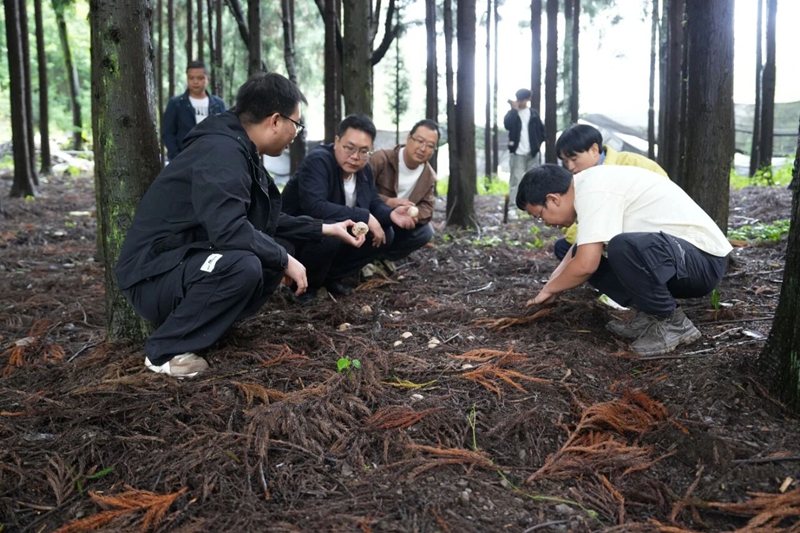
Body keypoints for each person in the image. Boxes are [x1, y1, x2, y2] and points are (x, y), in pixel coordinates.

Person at [116, 73, 364, 378]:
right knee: (246, 264)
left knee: (274, 250)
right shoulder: (221, 153)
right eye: (295, 125)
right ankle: (164, 351)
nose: (295, 134)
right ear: (275, 120)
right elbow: (228, 229)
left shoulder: (239, 148)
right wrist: (286, 261)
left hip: (182, 260)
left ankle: (208, 326)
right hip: (152, 274)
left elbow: (263, 221)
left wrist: (326, 228)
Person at [517, 164, 732, 357]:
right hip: (680, 259)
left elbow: (585, 265)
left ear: (553, 199)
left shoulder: (594, 190)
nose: (544, 223)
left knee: (622, 247)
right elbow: (576, 254)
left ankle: (672, 323)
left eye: (539, 215)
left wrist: (551, 290)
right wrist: (549, 288)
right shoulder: (588, 187)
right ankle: (650, 314)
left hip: (702, 261)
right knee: (581, 249)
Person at [281, 114, 416, 301]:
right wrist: (365, 216)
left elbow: (373, 202)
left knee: (385, 234)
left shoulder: (364, 169)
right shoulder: (318, 161)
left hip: (335, 230)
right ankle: (304, 286)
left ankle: (331, 277)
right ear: (337, 141)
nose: (355, 157)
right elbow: (315, 207)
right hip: (299, 235)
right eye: (349, 148)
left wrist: (391, 213)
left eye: (363, 151)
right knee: (332, 234)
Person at [552, 123, 669, 260]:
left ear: (594, 149)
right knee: (565, 248)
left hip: (651, 234)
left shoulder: (632, 164)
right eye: (566, 162)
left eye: (574, 159)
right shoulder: (579, 181)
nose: (570, 166)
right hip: (616, 235)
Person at [368, 119, 438, 266]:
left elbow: (427, 208)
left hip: (401, 222)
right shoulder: (381, 159)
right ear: (408, 138)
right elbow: (361, 191)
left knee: (426, 232)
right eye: (419, 141)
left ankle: (382, 260)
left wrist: (412, 212)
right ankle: (363, 259)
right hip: (373, 217)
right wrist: (388, 202)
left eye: (430, 145)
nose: (423, 148)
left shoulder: (429, 176)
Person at [162, 61, 227, 161]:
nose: (195, 82)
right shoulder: (176, 103)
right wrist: (177, 157)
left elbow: (226, 132)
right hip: (184, 159)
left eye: (200, 78)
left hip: (213, 159)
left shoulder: (218, 104)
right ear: (187, 79)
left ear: (207, 79)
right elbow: (168, 133)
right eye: (191, 78)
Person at [503, 88, 545, 206]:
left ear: (528, 99)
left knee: (533, 180)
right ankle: (513, 206)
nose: (520, 102)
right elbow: (507, 125)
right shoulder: (513, 114)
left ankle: (532, 206)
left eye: (522, 100)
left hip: (532, 152)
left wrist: (537, 145)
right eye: (518, 99)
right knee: (516, 180)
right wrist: (514, 110)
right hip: (517, 153)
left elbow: (542, 132)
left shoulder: (534, 114)